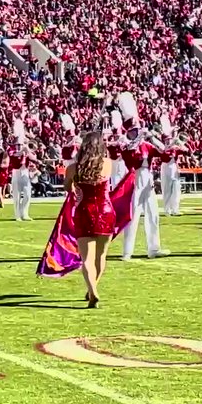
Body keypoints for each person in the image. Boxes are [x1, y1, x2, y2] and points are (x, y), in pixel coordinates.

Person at [65, 130, 115, 309]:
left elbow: (67, 187)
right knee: (101, 256)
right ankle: (92, 286)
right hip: (106, 210)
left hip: (85, 211)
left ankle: (92, 290)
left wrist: (74, 184)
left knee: (86, 257)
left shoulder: (73, 167)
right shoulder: (107, 163)